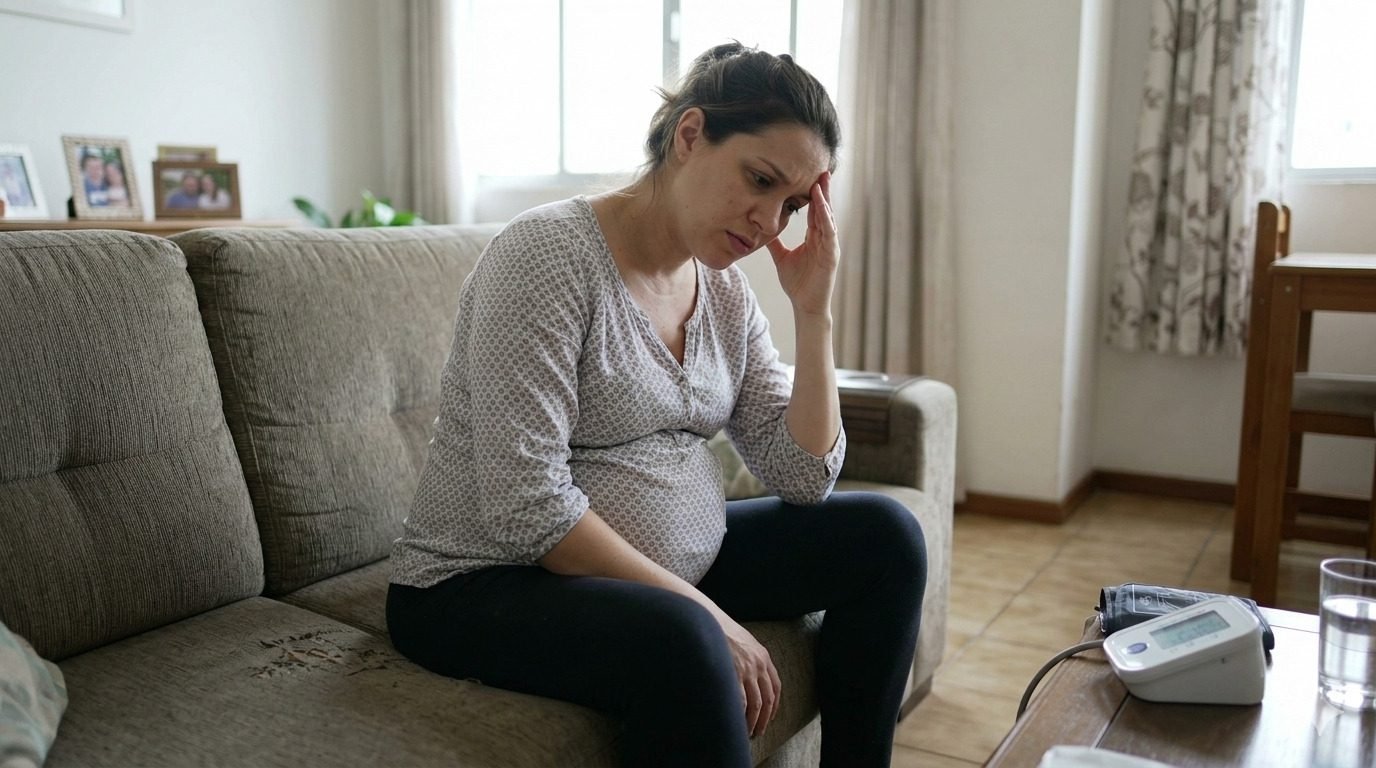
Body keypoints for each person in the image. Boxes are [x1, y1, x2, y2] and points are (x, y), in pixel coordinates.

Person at [387, 43, 926, 768]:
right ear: (690, 134)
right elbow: (525, 503)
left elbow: (803, 477)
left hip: (659, 565)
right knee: (687, 640)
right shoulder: (547, 256)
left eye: (791, 204)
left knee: (885, 537)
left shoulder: (726, 293)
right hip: (481, 581)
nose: (770, 221)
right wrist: (704, 612)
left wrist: (813, 312)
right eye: (759, 180)